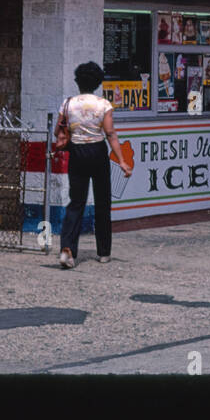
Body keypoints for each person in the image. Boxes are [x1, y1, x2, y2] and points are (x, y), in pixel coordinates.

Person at [57, 61, 134, 269]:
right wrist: (122, 162)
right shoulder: (103, 105)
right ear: (98, 82)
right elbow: (110, 134)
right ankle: (103, 252)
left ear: (77, 81)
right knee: (102, 202)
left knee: (76, 202)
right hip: (98, 152)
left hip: (77, 152)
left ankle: (68, 249)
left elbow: (60, 131)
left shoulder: (68, 104)